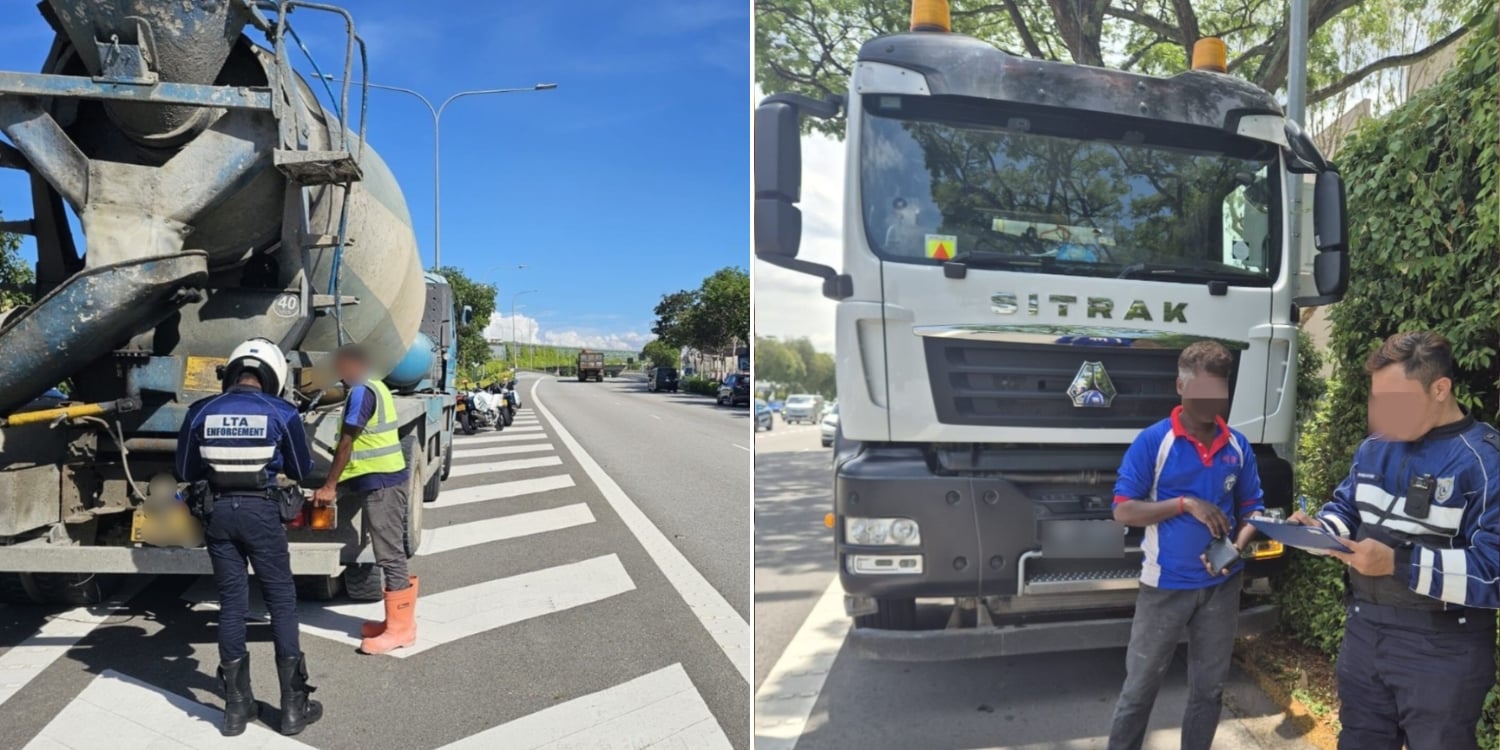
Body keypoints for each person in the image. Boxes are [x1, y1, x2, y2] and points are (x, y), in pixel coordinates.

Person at [1288, 331, 1500, 750]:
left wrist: (1398, 564)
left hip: (1443, 649)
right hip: (1365, 634)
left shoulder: (1485, 463)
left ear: (1440, 389)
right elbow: (1347, 509)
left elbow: (1493, 574)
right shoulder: (1374, 449)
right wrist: (1319, 532)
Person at [1106, 341, 1266, 750]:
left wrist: (1235, 549)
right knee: (1139, 691)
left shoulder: (1237, 446)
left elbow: (1254, 509)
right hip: (1165, 588)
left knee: (1208, 692)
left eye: (1220, 391)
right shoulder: (1153, 442)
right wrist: (1184, 504)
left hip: (1221, 588)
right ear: (1180, 385)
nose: (1213, 402)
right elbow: (1123, 511)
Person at [175, 338, 322, 736]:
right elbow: (302, 466)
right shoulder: (281, 411)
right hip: (262, 513)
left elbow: (187, 469)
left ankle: (237, 710)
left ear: (234, 371)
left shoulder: (201, 410)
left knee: (232, 604)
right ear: (273, 375)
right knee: (281, 602)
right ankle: (294, 708)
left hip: (218, 514)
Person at [310, 343, 418, 655]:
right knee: (390, 551)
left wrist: (330, 486)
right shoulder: (376, 386)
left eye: (341, 367)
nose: (339, 374)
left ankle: (401, 630)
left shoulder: (361, 392)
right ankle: (394, 623)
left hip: (382, 481)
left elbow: (348, 440)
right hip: (381, 477)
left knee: (389, 554)